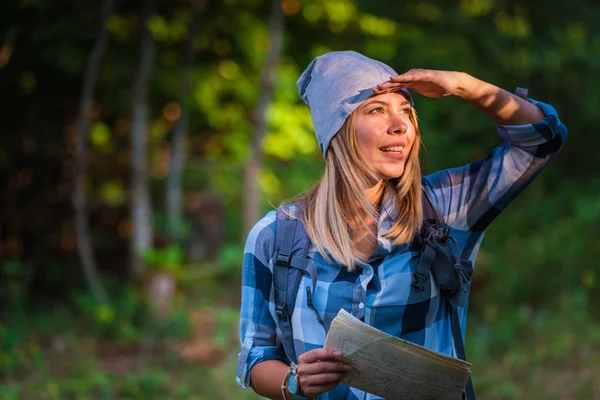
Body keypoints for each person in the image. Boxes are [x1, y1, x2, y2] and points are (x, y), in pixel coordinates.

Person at [236, 51, 567, 400]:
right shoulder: (276, 236)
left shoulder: (445, 207)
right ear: (338, 131)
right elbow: (256, 356)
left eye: (406, 111)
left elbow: (543, 139)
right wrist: (294, 381)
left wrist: (462, 85)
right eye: (377, 109)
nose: (400, 125)